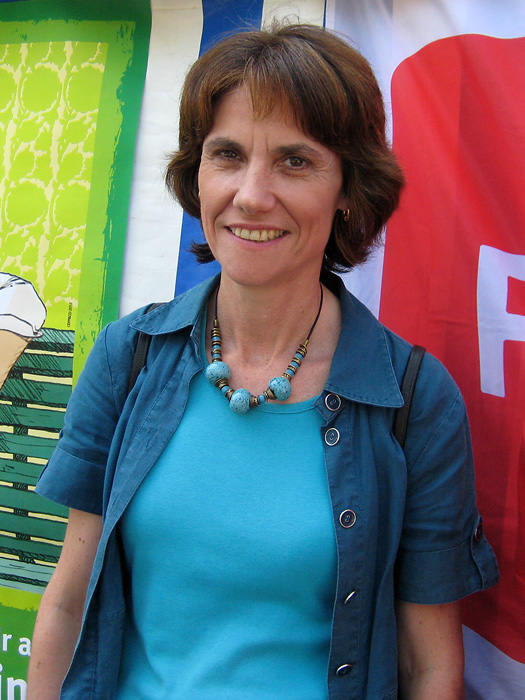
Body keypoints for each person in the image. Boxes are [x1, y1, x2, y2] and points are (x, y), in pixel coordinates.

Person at [27, 23, 498, 700]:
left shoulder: (413, 400)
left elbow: (429, 667)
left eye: (294, 161)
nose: (251, 194)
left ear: (348, 187)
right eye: (227, 154)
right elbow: (68, 603)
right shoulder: (128, 357)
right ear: (196, 174)